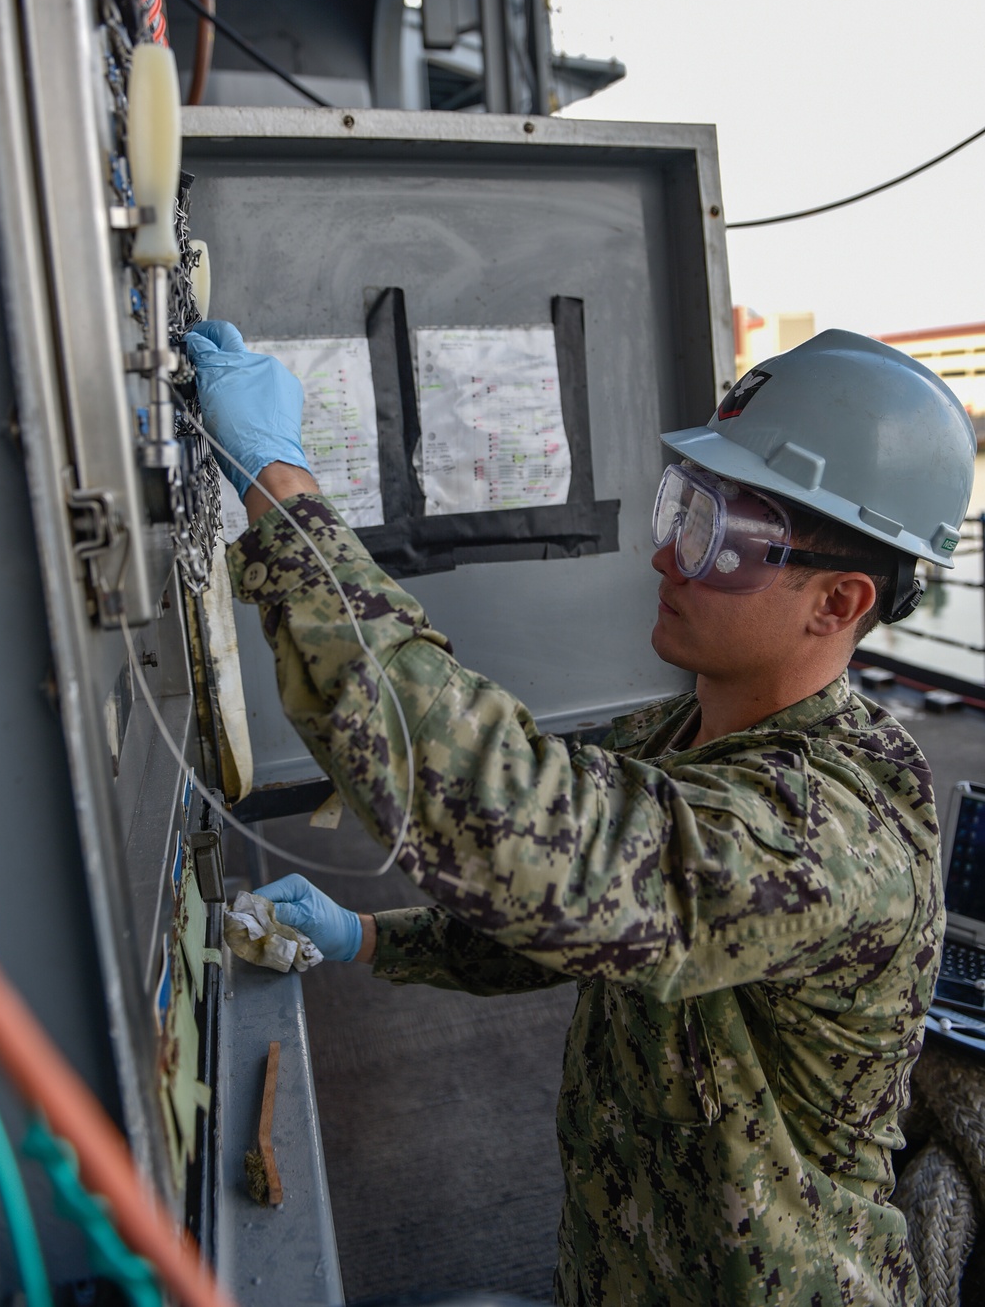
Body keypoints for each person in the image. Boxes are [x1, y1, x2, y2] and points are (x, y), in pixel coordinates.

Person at [185, 322, 976, 1307]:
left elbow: (514, 817)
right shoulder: (680, 734)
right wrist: (366, 939)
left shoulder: (830, 832)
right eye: (681, 504)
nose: (664, 555)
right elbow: (573, 922)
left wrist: (282, 489)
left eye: (716, 537)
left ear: (838, 601)